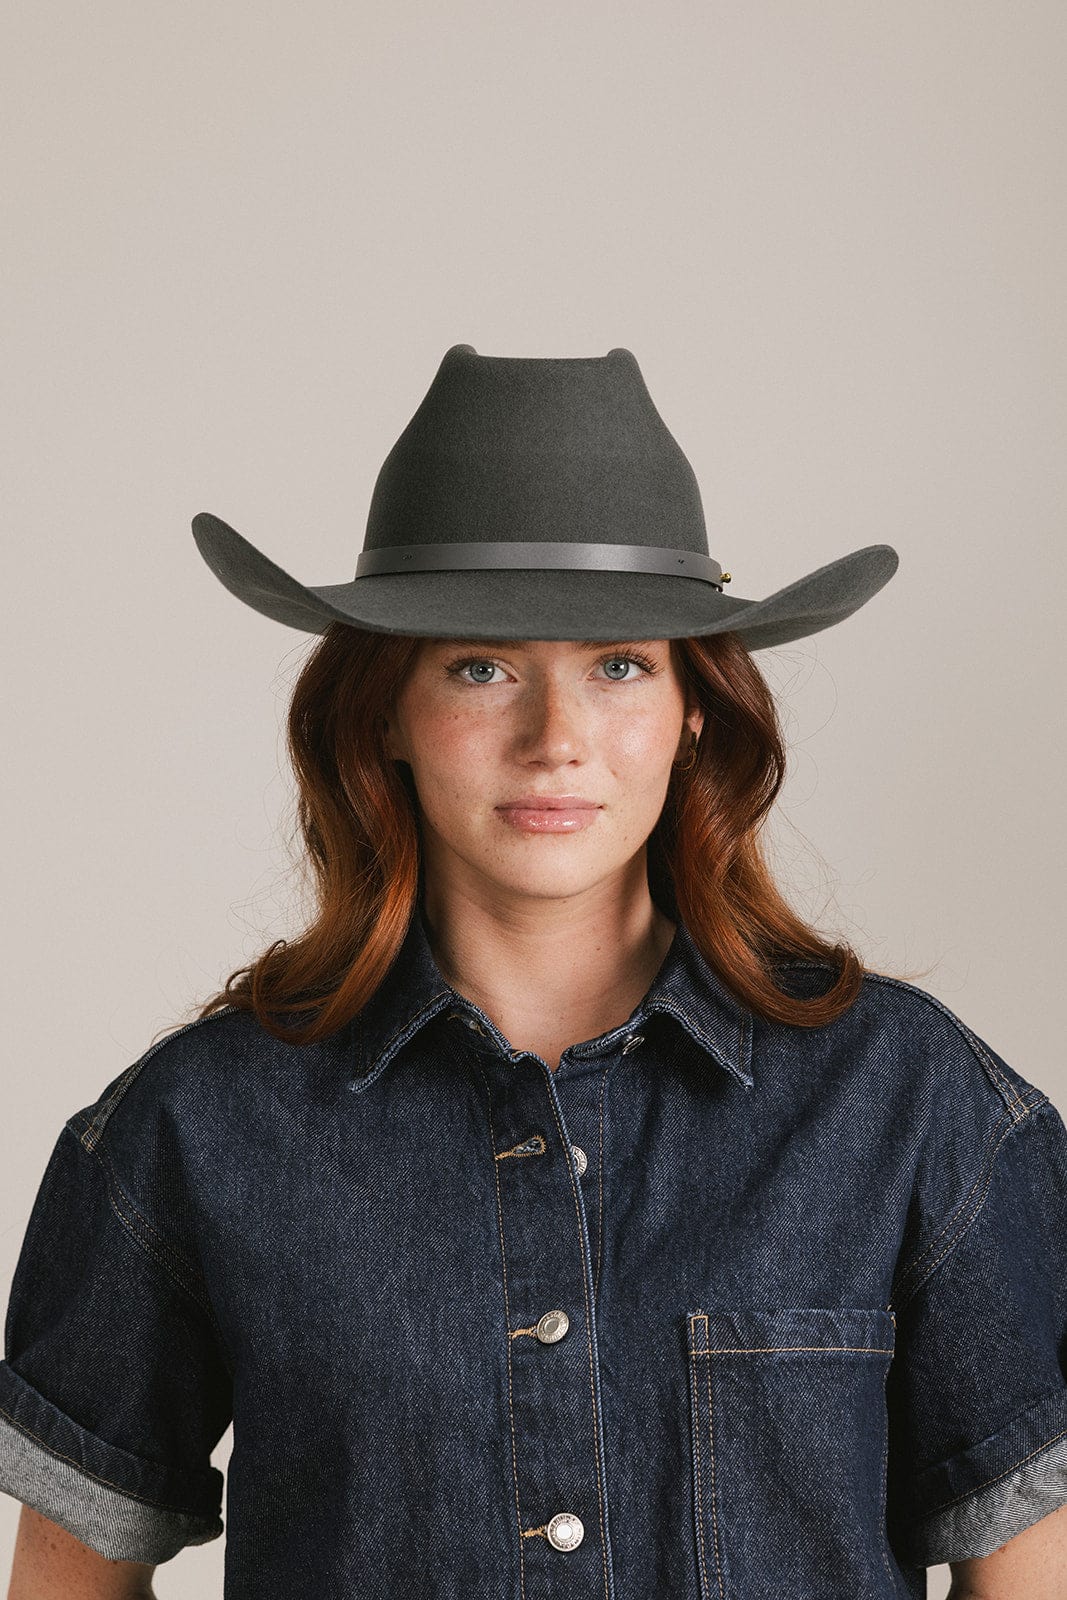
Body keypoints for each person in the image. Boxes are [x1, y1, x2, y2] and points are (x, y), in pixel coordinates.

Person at [2, 346, 1066, 1599]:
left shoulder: (906, 1099)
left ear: (694, 710)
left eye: (619, 666)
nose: (555, 738)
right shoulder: (198, 1124)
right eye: (480, 666)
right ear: (383, 714)